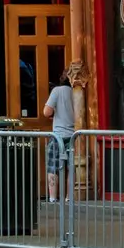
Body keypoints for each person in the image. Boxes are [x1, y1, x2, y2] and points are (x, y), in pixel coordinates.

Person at [42, 66, 80, 205]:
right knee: (71, 167)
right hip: (73, 135)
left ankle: (53, 198)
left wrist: (55, 113)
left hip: (58, 135)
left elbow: (46, 112)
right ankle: (69, 197)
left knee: (53, 167)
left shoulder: (57, 91)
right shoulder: (77, 92)